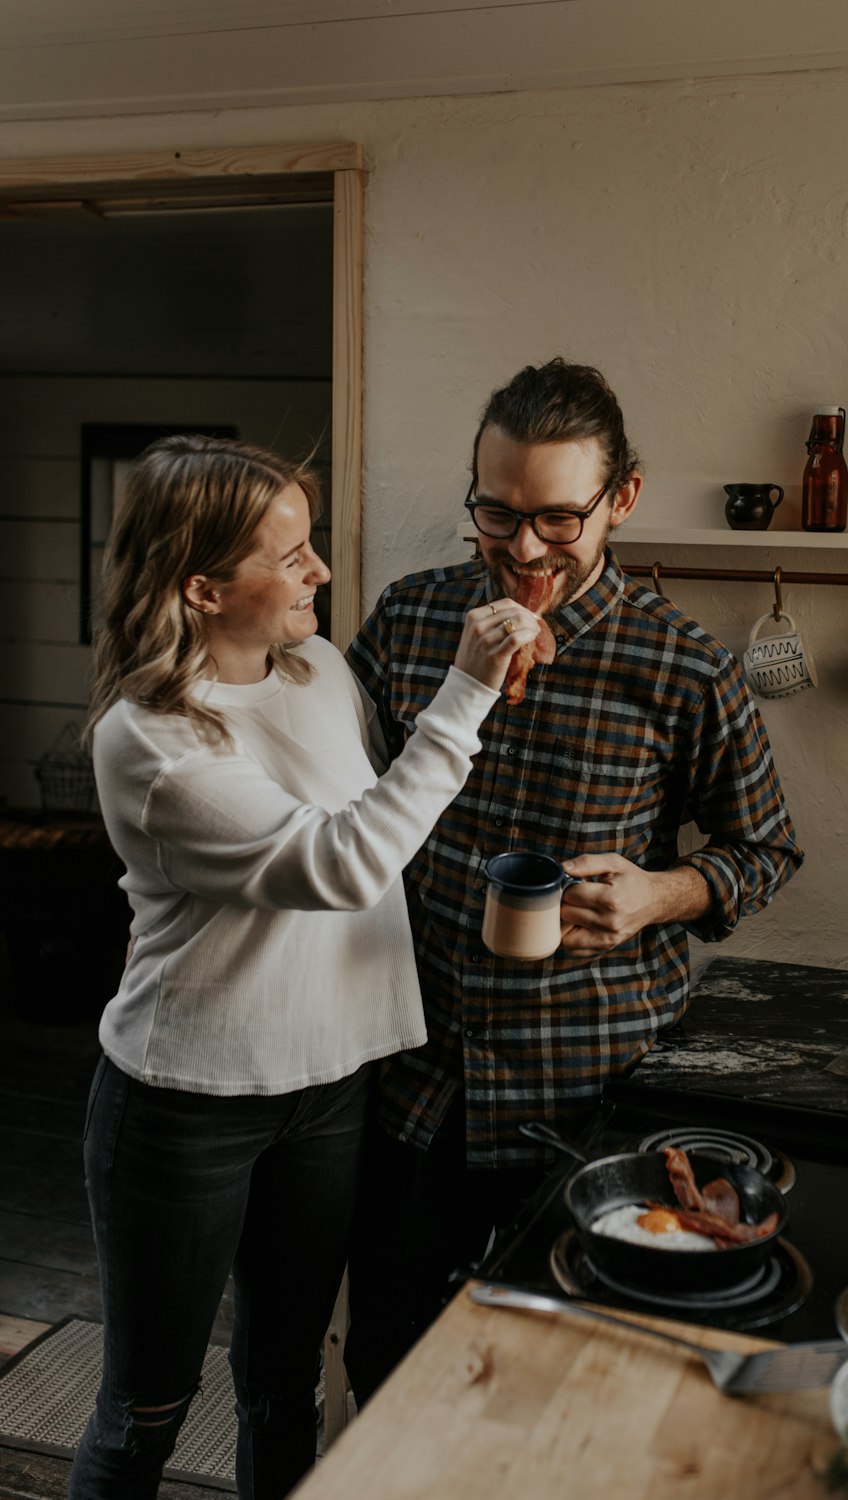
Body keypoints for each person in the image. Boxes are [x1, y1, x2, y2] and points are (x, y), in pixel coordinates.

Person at [68, 433, 539, 1500]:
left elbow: (382, 815)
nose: (320, 571)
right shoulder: (149, 743)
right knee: (146, 1406)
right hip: (186, 1107)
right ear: (200, 587)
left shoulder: (321, 667)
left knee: (285, 1380)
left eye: (310, 544)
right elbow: (342, 861)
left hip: (330, 1087)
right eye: (289, 556)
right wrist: (462, 691)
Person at [343, 357, 804, 1401]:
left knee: (558, 1394)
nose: (524, 548)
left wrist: (659, 893)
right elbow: (332, 813)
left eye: (558, 518)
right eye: (496, 515)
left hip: (583, 1106)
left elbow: (763, 850)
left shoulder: (684, 665)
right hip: (411, 1088)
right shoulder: (411, 621)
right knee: (390, 1372)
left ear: (621, 499)